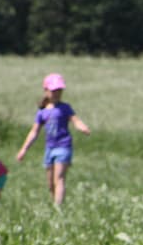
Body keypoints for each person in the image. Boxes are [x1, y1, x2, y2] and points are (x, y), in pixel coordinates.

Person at [16, 73, 91, 206]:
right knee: (50, 183)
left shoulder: (65, 108)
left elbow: (75, 120)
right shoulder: (42, 112)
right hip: (49, 148)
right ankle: (54, 204)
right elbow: (34, 132)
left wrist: (82, 127)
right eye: (53, 90)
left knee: (59, 178)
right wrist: (24, 149)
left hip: (64, 146)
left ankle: (58, 208)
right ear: (46, 91)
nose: (57, 93)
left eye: (59, 91)